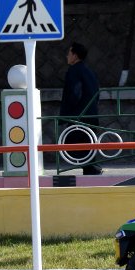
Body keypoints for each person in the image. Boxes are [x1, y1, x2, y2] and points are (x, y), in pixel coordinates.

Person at [59, 42, 101, 175]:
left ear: (75, 56)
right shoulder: (88, 71)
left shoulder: (74, 71)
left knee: (72, 141)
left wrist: (68, 112)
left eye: (69, 53)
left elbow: (75, 94)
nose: (67, 56)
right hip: (91, 113)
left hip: (79, 114)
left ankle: (91, 168)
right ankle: (91, 167)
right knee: (87, 141)